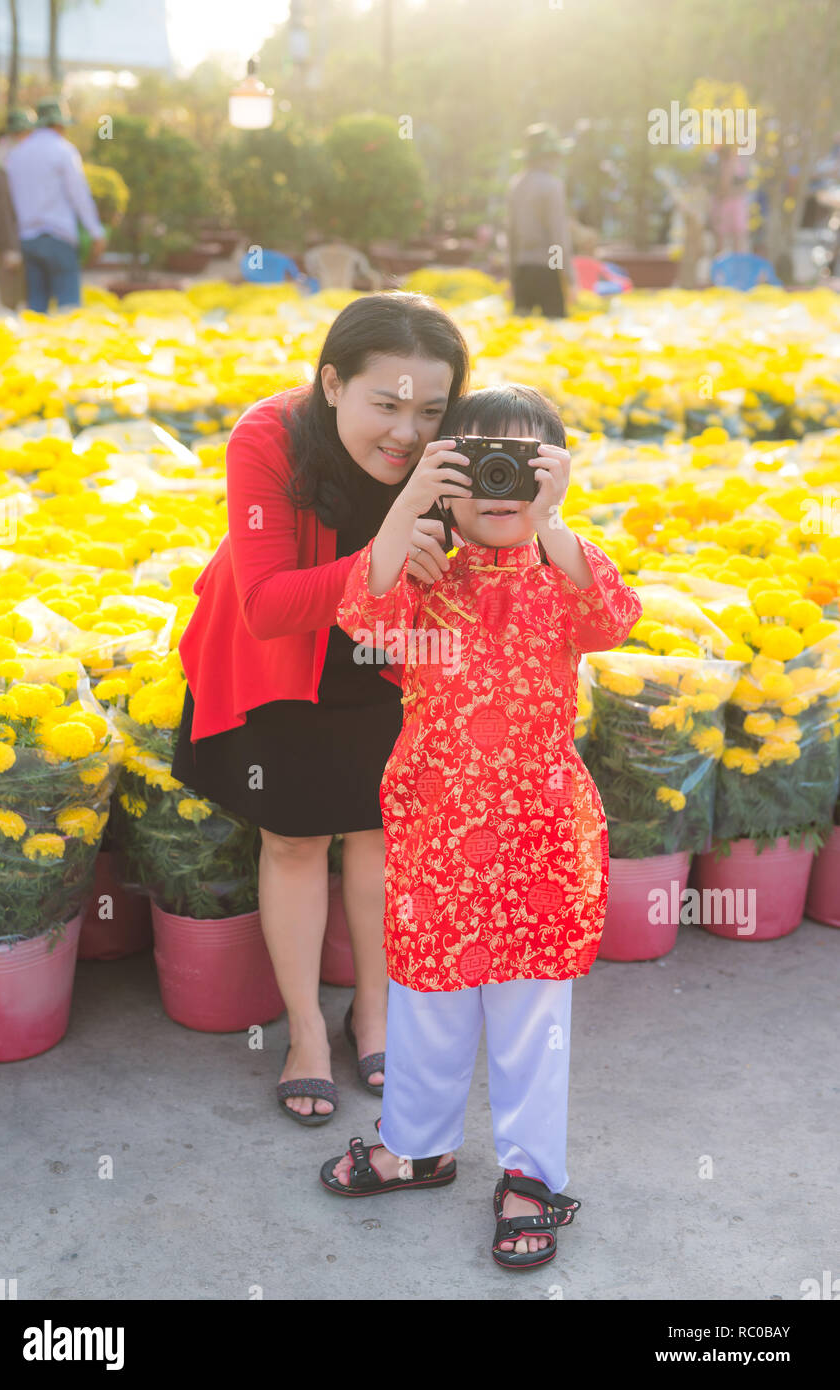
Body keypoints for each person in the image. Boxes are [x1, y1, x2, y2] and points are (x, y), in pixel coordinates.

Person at [319, 384, 643, 1270]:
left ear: (555, 475)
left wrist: (555, 520)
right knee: (424, 1001)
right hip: (434, 831)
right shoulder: (423, 571)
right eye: (477, 462)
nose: (499, 482)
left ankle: (530, 1178)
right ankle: (415, 1147)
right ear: (445, 474)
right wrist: (407, 508)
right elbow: (363, 623)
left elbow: (613, 618)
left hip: (539, 834)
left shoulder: (564, 570)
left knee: (532, 1015)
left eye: (523, 463)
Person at [170, 292, 471, 1124]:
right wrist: (384, 550)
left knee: (379, 832)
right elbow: (264, 603)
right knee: (295, 838)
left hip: (390, 661)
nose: (405, 432)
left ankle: (371, 1013)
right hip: (283, 659)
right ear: (332, 384)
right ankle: (305, 1032)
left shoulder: (451, 450)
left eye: (428, 410)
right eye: (384, 404)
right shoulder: (267, 437)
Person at [4, 97, 105, 315]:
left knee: (37, 308)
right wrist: (96, 232)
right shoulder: (63, 150)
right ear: (59, 124)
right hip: (59, 237)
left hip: (29, 238)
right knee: (68, 308)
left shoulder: (16, 155)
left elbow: (13, 201)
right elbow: (79, 195)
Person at [507, 124, 576, 318]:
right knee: (555, 337)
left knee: (518, 336)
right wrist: (567, 277)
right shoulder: (552, 185)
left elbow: (511, 236)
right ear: (547, 156)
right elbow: (558, 235)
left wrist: (511, 277)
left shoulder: (516, 184)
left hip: (522, 269)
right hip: (548, 269)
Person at [0, 107, 34, 312]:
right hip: (10, 242)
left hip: (21, 238)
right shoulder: (4, 162)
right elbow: (4, 209)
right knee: (13, 304)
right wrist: (11, 248)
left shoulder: (13, 154)